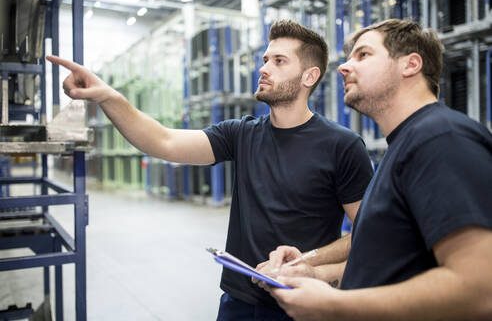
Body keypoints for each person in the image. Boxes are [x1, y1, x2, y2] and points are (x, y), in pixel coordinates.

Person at [46, 20, 374, 320]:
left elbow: (370, 233)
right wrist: (108, 96)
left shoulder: (342, 146)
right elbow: (163, 141)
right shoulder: (241, 134)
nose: (264, 69)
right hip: (238, 301)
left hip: (304, 305)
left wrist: (311, 264)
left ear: (309, 76)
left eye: (279, 61)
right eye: (265, 59)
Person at [262, 18, 492, 320]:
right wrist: (316, 275)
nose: (344, 67)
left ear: (410, 64)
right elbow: (392, 265)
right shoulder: (405, 146)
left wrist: (335, 306)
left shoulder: (441, 138)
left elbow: (480, 288)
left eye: (363, 55)